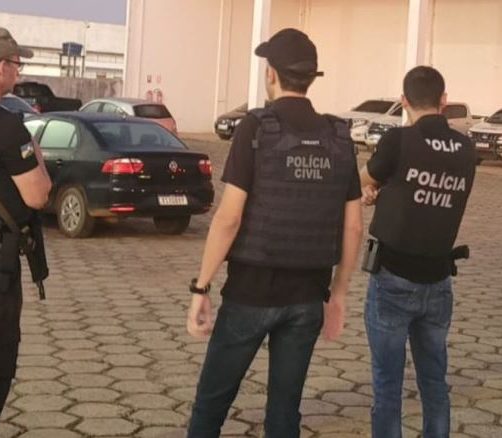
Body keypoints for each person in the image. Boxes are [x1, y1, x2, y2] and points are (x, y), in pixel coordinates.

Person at [186, 28, 363, 438]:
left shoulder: (256, 127)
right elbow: (354, 225)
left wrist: (201, 287)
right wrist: (339, 294)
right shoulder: (339, 136)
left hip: (251, 292)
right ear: (311, 77)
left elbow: (228, 219)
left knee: (211, 404)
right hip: (308, 296)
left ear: (271, 74)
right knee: (285, 411)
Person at [360, 66, 476, 438]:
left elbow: (365, 179)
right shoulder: (465, 148)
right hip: (439, 280)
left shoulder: (398, 140)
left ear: (403, 101)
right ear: (444, 100)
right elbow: (427, 191)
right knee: (434, 382)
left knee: (388, 384)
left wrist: (375, 191)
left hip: (392, 277)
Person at [0, 27, 51, 438]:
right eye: (17, 65)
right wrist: (35, 152)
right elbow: (38, 195)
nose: (18, 73)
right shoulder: (5, 125)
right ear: (1, 67)